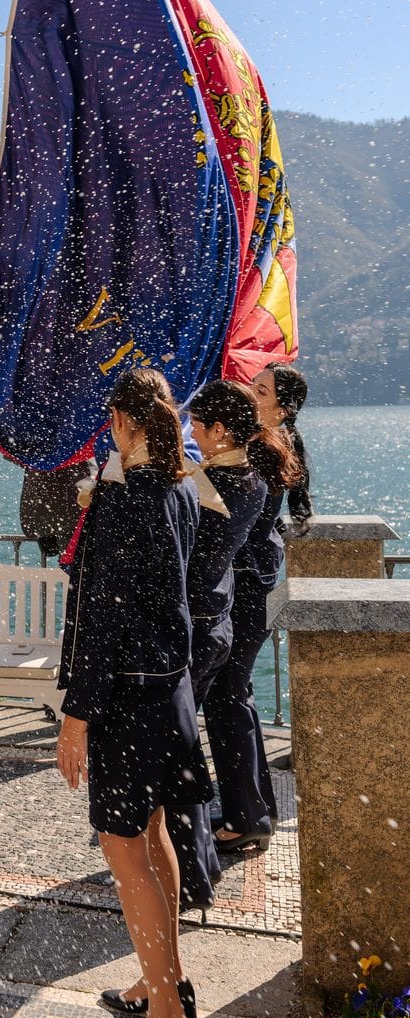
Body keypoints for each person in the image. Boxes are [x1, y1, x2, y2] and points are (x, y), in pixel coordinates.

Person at [55, 368, 210, 1018]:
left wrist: (77, 715)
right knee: (153, 835)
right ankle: (161, 980)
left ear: (123, 421)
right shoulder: (180, 490)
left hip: (126, 700)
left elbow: (101, 619)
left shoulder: (122, 502)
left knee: (123, 851)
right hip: (169, 692)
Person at [166, 380, 288, 909]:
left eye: (197, 425)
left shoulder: (218, 486)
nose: (191, 432)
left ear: (218, 430)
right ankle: (251, 808)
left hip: (225, 607)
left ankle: (238, 820)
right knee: (230, 702)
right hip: (230, 606)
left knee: (223, 706)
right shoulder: (249, 477)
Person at [203, 364, 310, 854]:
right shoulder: (272, 445)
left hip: (246, 585)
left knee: (227, 697)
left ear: (281, 408)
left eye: (261, 390)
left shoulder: (259, 453)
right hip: (257, 580)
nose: (251, 391)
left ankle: (247, 815)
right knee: (234, 695)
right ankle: (253, 805)